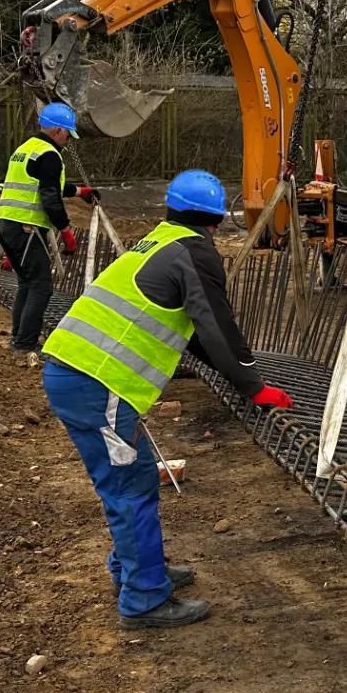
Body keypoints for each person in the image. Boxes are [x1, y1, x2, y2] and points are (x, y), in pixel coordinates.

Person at [40, 169, 295, 628]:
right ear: (217, 219)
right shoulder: (195, 252)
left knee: (126, 481)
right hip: (98, 384)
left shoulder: (159, 241)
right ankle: (143, 600)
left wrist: (241, 376)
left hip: (80, 376)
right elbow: (215, 327)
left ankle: (140, 571)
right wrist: (255, 387)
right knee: (131, 488)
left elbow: (194, 333)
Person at [0, 102, 94, 356]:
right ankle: (25, 345)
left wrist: (79, 192)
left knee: (27, 284)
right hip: (26, 226)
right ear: (58, 131)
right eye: (68, 134)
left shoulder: (25, 149)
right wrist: (66, 229)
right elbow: (49, 197)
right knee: (41, 286)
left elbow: (40, 184)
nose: (69, 140)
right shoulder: (50, 154)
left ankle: (19, 340)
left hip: (6, 222)